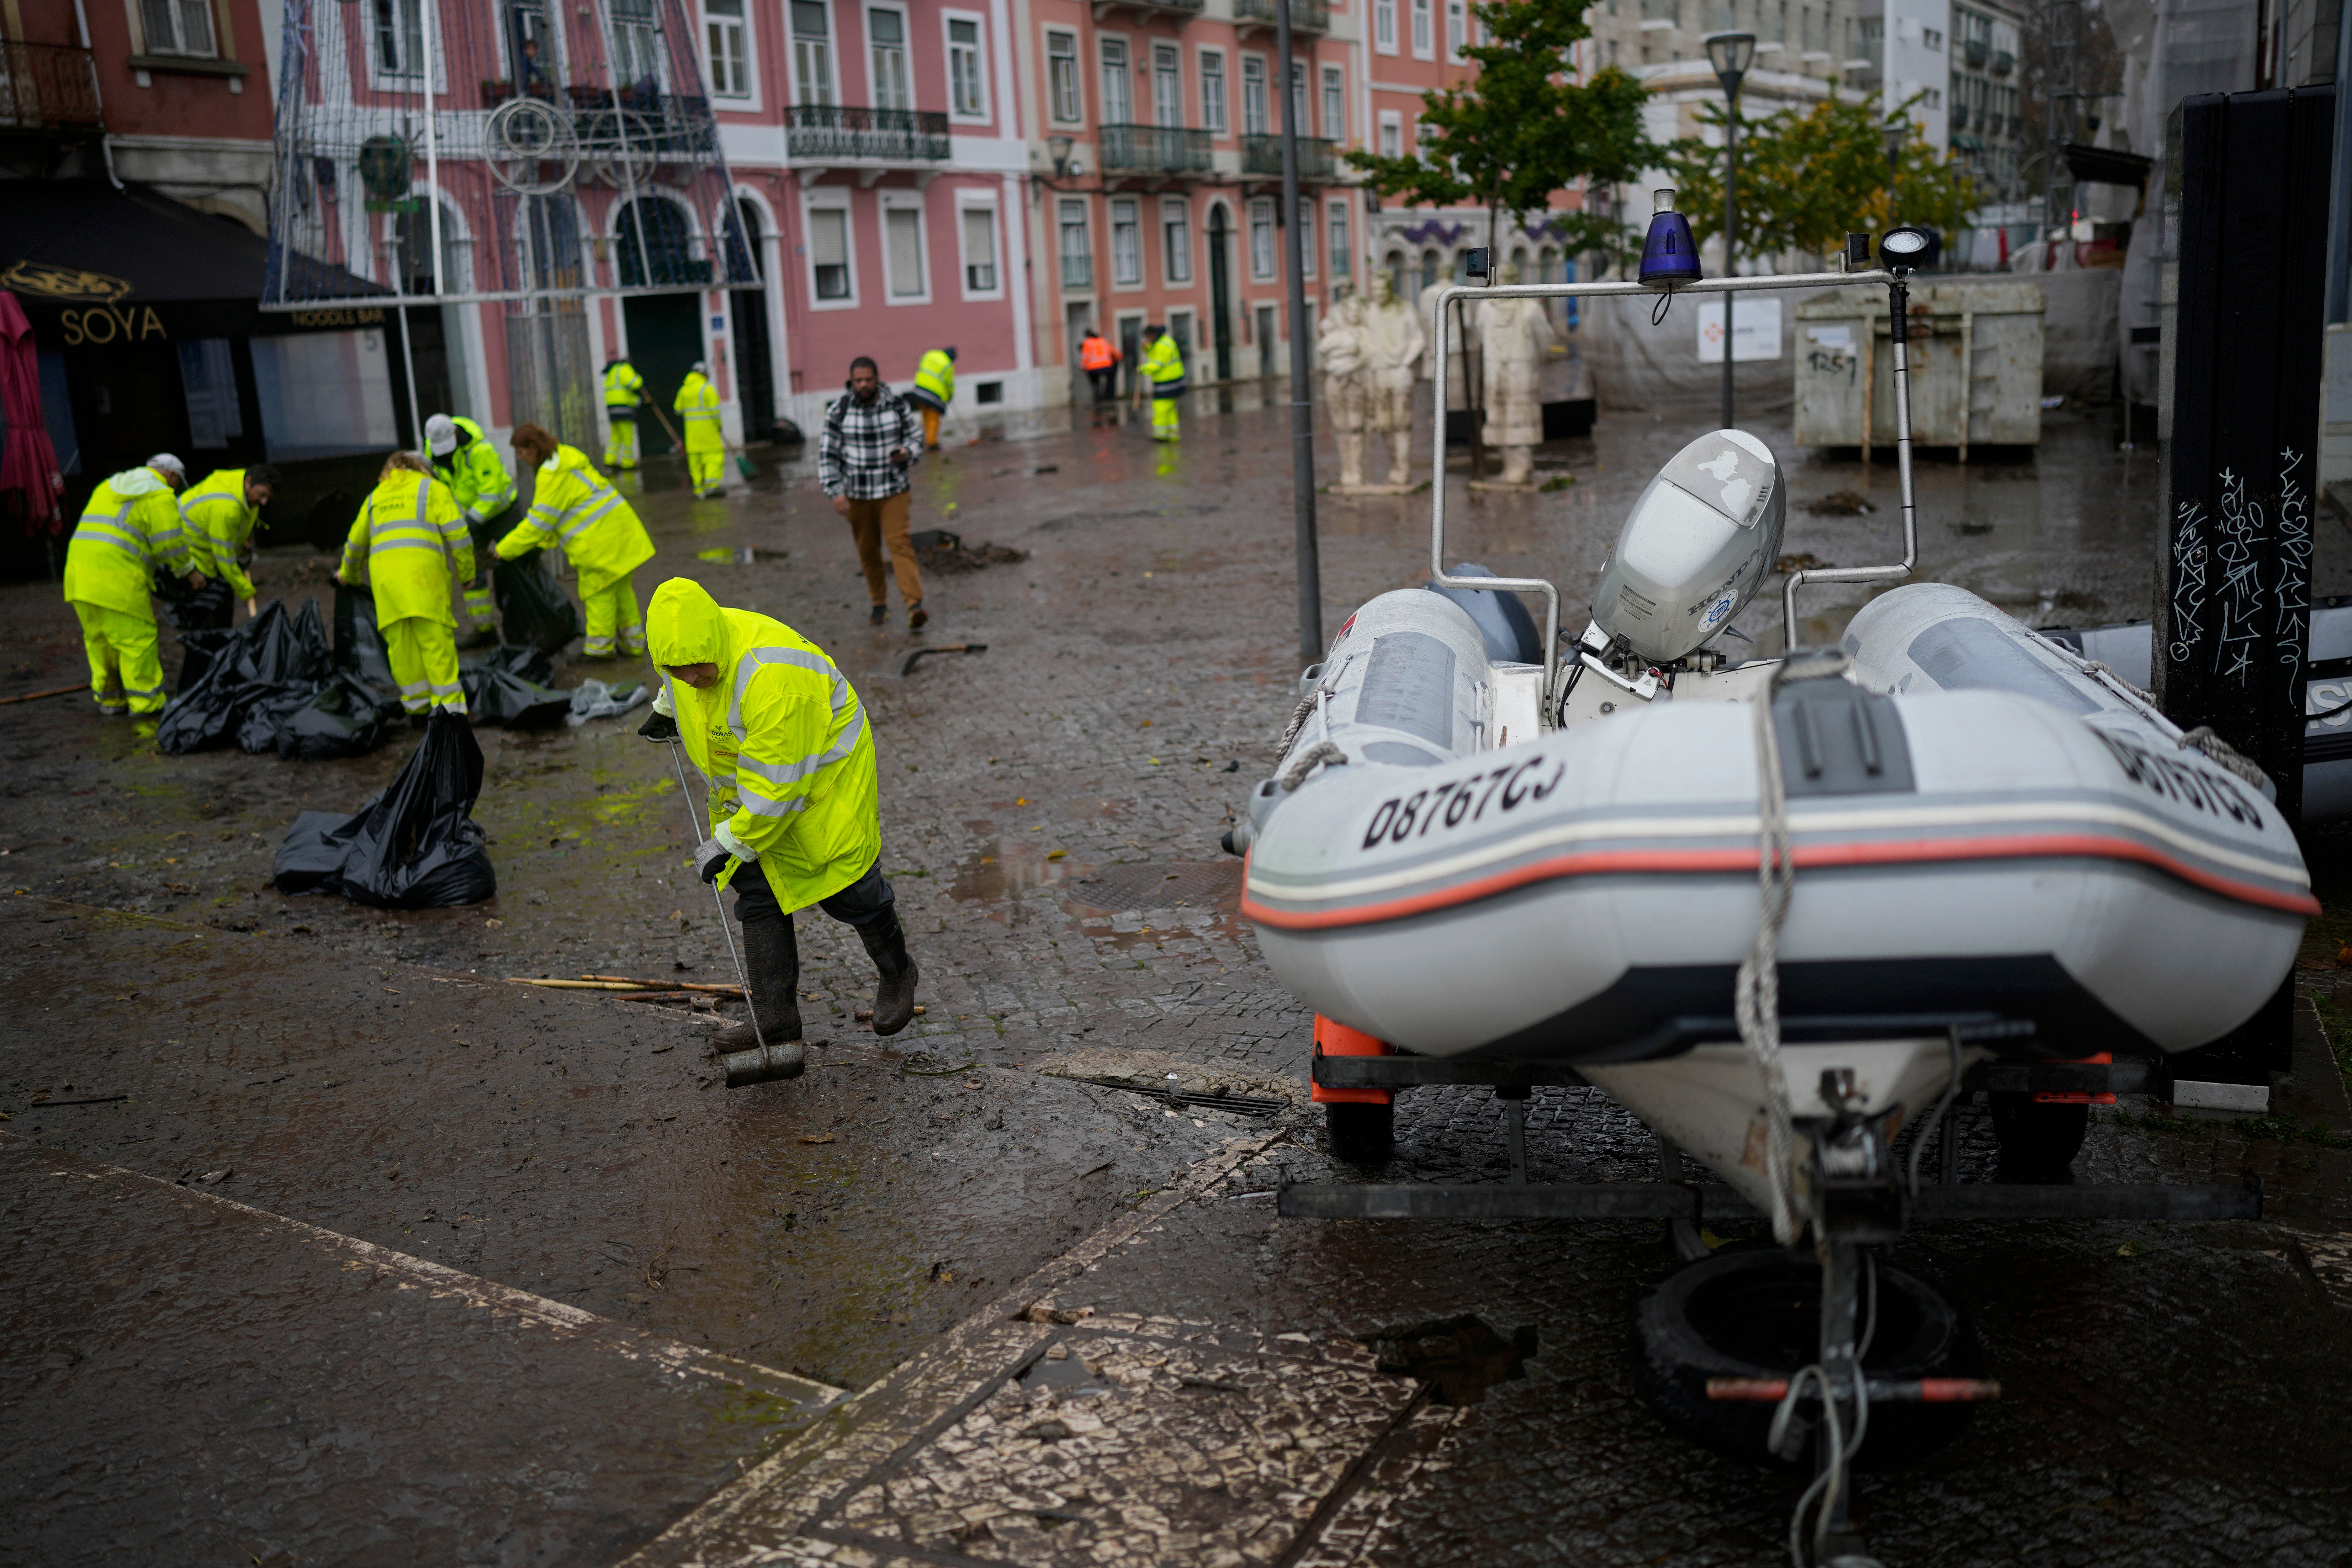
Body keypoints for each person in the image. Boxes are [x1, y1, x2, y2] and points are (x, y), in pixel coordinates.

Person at [638, 576, 919, 1073]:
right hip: (760, 786)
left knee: (846, 887)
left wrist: (729, 841)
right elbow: (685, 683)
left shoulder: (772, 678)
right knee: (758, 887)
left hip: (820, 781)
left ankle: (898, 972)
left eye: (698, 669)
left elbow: (779, 789)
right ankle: (775, 1017)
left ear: (714, 644)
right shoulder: (689, 650)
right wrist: (667, 708)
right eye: (678, 673)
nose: (694, 679)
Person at [500, 423, 656, 658]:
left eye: (521, 453)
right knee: (621, 590)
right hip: (619, 531)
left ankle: (599, 650)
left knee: (598, 592)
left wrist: (504, 550)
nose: (521, 459)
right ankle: (633, 643)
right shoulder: (565, 457)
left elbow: (539, 523)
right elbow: (564, 512)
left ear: (533, 448)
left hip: (599, 542)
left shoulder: (551, 475)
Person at [337, 452, 474, 717]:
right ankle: (451, 712)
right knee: (436, 647)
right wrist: (466, 572)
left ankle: (418, 710)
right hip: (424, 582)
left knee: (402, 651)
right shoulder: (433, 489)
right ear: (423, 468)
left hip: (388, 587)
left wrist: (349, 576)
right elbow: (459, 534)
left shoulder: (375, 496)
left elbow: (354, 544)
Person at [61, 453, 196, 718]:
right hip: (117, 579)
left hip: (78, 576)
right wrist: (189, 572)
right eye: (177, 484)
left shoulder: (110, 485)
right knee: (137, 640)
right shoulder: (159, 494)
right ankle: (147, 703)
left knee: (100, 640)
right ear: (170, 476)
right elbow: (170, 543)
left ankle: (111, 701)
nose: (175, 490)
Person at [818, 356, 926, 630]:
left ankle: (914, 605)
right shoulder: (839, 411)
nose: (864, 385)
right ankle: (879, 603)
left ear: (877, 378)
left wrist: (907, 452)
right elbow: (827, 455)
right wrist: (836, 493)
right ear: (851, 382)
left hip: (894, 491)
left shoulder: (897, 405)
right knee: (868, 551)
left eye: (869, 379)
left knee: (899, 544)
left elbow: (917, 437)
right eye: (859, 381)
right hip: (857, 495)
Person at [424, 413, 521, 645]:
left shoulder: (481, 450)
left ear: (457, 434)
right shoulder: (434, 450)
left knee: (519, 566)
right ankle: (485, 630)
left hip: (503, 514)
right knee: (471, 572)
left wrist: (467, 524)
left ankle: (527, 623)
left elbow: (493, 494)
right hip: (472, 517)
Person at [177, 463, 280, 626]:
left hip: (205, 543)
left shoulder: (241, 487)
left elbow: (239, 527)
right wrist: (246, 590)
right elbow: (224, 557)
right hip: (190, 551)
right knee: (208, 609)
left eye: (268, 497)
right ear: (248, 482)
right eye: (261, 495)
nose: (264, 502)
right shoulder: (226, 509)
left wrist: (240, 546)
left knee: (220, 601)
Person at [675, 359, 726, 499]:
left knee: (695, 463)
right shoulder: (707, 388)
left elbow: (678, 409)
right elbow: (716, 412)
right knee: (714, 457)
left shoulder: (684, 390)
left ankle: (699, 491)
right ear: (705, 374)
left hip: (692, 435)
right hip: (708, 433)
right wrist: (719, 426)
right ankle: (712, 487)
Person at [1141, 324, 1186, 442]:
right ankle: (1173, 434)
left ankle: (1160, 435)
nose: (1147, 340)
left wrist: (1141, 369)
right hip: (1174, 381)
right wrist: (1147, 349)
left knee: (1160, 409)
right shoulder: (1165, 341)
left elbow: (1157, 365)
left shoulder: (1162, 346)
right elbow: (1155, 354)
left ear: (1153, 335)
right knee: (1170, 409)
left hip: (1167, 383)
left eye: (1148, 338)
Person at [908, 345, 956, 450]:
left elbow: (921, 364)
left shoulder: (930, 354)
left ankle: (926, 439)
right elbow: (949, 383)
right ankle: (932, 443)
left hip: (919, 390)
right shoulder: (948, 364)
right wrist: (950, 395)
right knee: (934, 419)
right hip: (934, 395)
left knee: (925, 416)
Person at [602, 353, 646, 470]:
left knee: (616, 436)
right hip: (624, 409)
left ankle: (609, 460)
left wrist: (639, 402)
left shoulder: (613, 373)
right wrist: (638, 377)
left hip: (613, 408)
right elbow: (634, 384)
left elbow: (622, 393)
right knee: (628, 437)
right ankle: (628, 463)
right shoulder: (625, 368)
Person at [1078, 327, 1120, 420]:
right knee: (1110, 382)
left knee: (1095, 383)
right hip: (1106, 366)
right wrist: (1119, 357)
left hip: (1093, 368)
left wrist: (1082, 366)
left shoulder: (1087, 343)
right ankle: (1109, 398)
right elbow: (1113, 352)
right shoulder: (1103, 341)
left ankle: (1098, 398)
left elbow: (1086, 356)